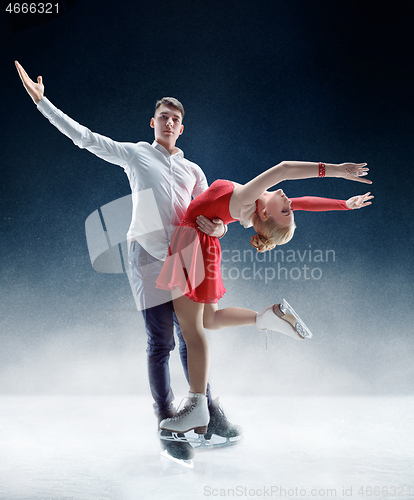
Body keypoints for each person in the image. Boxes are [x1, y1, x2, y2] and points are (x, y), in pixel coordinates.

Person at [15, 61, 242, 462]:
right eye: (163, 117)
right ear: (152, 123)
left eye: (175, 119)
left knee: (194, 338)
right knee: (162, 342)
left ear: (182, 128)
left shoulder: (193, 170)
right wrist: (42, 103)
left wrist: (221, 230)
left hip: (187, 258)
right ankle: (166, 424)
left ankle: (206, 409)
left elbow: (215, 214)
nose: (169, 123)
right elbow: (84, 138)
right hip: (148, 257)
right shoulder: (136, 155)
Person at [156, 163, 373, 434]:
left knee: (192, 331)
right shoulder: (254, 204)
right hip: (203, 246)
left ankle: (197, 405)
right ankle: (265, 318)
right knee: (209, 320)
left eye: (285, 211)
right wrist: (344, 204)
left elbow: (283, 169)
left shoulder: (247, 198)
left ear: (267, 214)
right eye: (288, 210)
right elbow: (304, 203)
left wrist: (337, 170)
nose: (288, 204)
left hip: (191, 244)